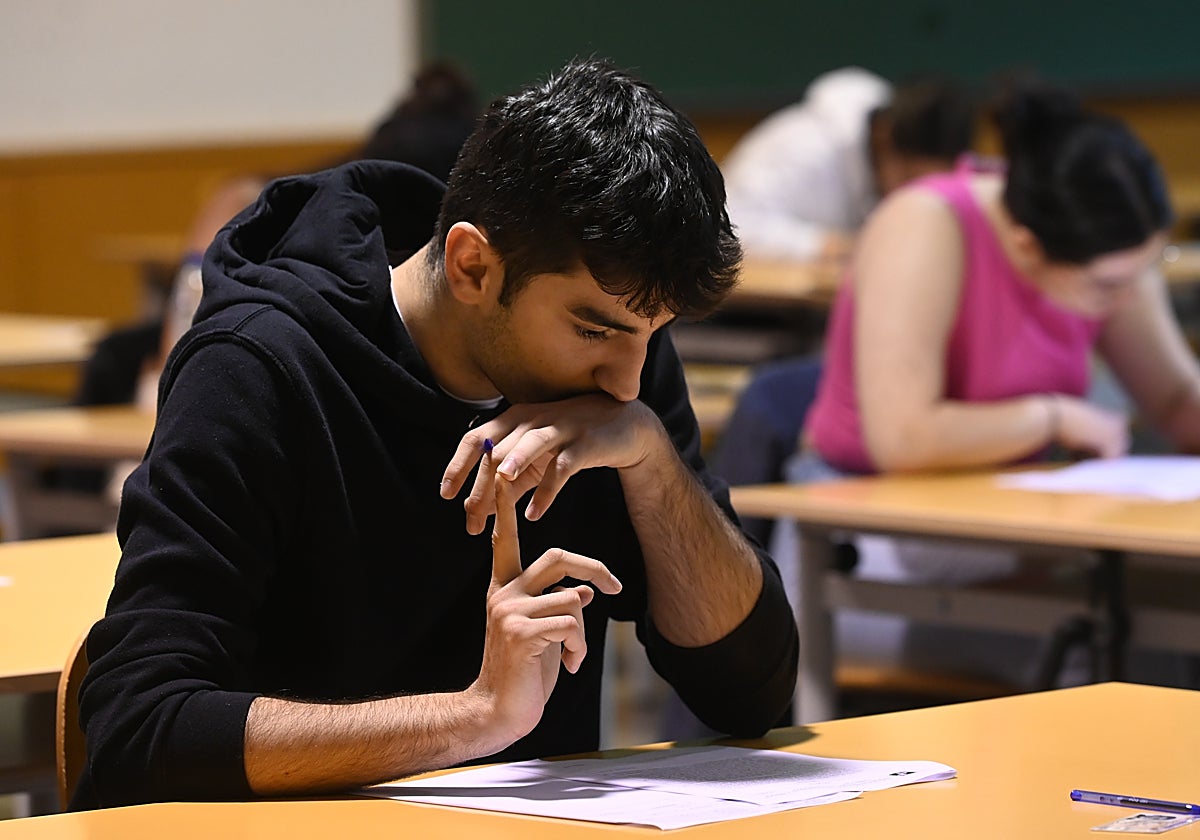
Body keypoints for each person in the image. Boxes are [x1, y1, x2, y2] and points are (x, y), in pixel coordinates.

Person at [72, 58, 799, 809]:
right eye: (592, 330)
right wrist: (473, 718)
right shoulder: (257, 367)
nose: (625, 378)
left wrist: (651, 461)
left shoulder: (623, 364)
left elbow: (750, 695)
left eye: (654, 335)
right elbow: (139, 731)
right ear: (472, 266)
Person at [793, 80, 1200, 688]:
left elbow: (1175, 401)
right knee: (1121, 649)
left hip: (1013, 535)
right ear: (1027, 246)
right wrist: (1056, 417)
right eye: (1109, 288)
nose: (1122, 299)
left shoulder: (1095, 239)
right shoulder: (927, 224)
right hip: (870, 545)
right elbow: (904, 438)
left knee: (1160, 619)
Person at [721, 67, 976, 263]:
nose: (913, 195)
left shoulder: (884, 146)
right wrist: (827, 246)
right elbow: (728, 229)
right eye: (910, 179)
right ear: (883, 138)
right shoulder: (804, 148)